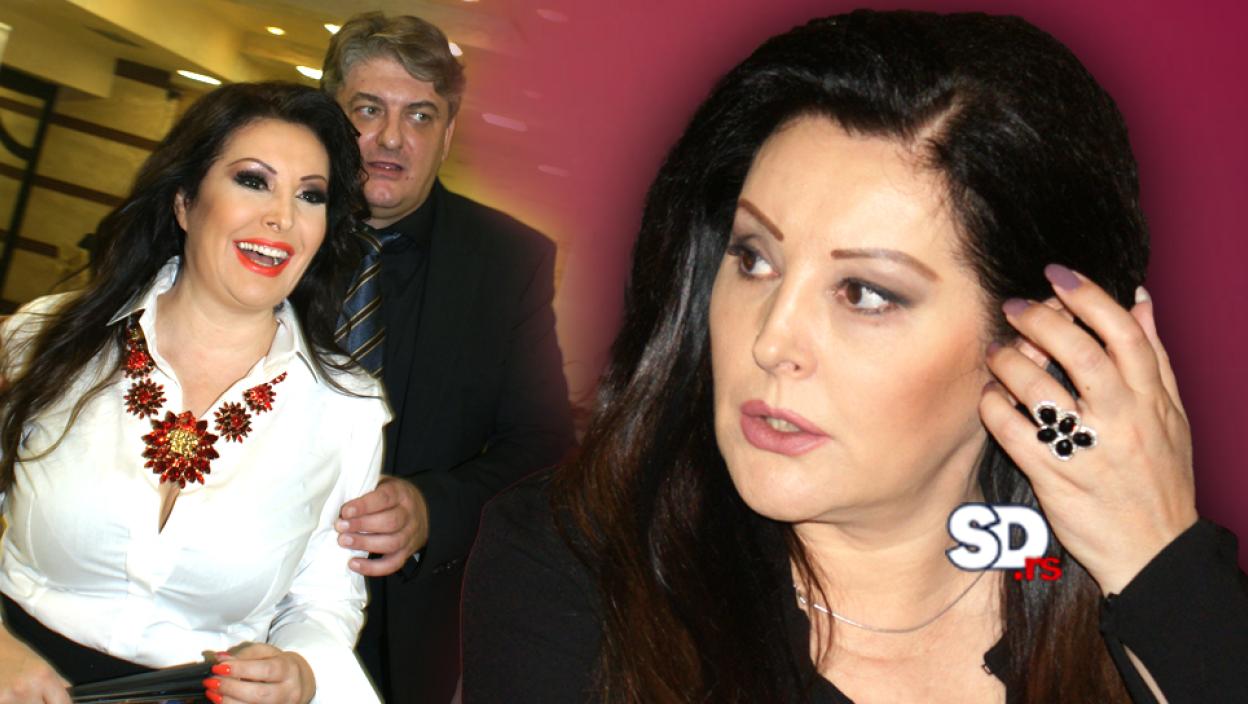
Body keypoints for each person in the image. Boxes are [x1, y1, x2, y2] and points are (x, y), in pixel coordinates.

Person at [462, 10, 1248, 703]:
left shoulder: (1113, 591)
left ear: (1032, 342)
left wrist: (1158, 563)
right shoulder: (577, 570)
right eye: (754, 259)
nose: (771, 341)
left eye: (865, 293)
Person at [0, 82, 387, 704]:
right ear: (184, 201)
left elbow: (324, 599)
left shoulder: (347, 408)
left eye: (310, 195)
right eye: (253, 181)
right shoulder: (46, 337)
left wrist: (302, 671)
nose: (282, 217)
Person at [319, 12, 574, 703]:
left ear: (447, 135)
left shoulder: (508, 262)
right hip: (233, 593)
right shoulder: (267, 231)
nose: (391, 138)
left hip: (402, 626)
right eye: (368, 109)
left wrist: (433, 508)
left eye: (420, 115)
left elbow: (544, 446)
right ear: (327, 116)